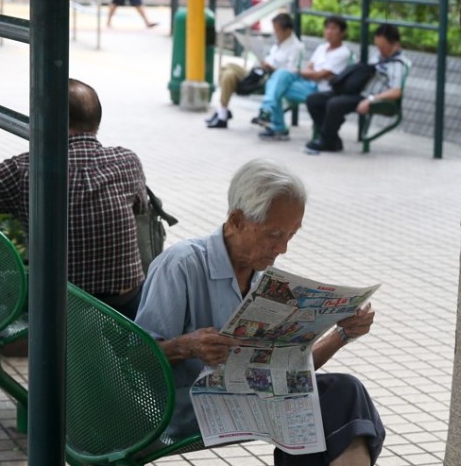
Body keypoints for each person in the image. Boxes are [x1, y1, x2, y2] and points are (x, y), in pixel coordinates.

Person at [135, 159, 384, 465]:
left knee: (344, 394)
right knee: (327, 406)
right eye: (274, 234)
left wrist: (342, 334)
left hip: (247, 398)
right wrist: (186, 347)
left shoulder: (263, 278)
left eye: (291, 236)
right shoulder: (181, 265)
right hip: (184, 407)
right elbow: (137, 360)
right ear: (237, 220)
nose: (282, 249)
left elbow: (292, 375)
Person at [0, 79, 148, 318]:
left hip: (59, 308)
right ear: (97, 119)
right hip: (125, 304)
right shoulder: (127, 161)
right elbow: (141, 209)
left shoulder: (25, 169)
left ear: (44, 118)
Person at [304, 23, 408, 155]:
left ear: (394, 44)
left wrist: (370, 100)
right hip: (358, 93)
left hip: (373, 98)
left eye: (383, 47)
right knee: (314, 99)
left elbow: (396, 91)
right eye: (378, 46)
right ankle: (331, 138)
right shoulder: (378, 57)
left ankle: (328, 140)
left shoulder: (397, 64)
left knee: (335, 104)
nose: (380, 50)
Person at [255, 16, 352, 141]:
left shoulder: (343, 52)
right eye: (327, 28)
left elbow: (319, 75)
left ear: (342, 32)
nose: (329, 31)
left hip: (323, 91)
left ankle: (273, 120)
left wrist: (306, 72)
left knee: (275, 83)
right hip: (308, 85)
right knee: (277, 81)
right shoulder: (322, 48)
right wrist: (310, 73)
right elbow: (310, 69)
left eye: (333, 29)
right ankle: (270, 114)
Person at [206, 12, 305, 129]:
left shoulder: (295, 47)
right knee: (227, 68)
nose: (275, 34)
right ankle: (222, 111)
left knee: (228, 75)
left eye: (277, 30)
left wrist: (271, 67)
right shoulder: (278, 44)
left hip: (270, 77)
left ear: (287, 30)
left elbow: (290, 72)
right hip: (257, 72)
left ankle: (222, 113)